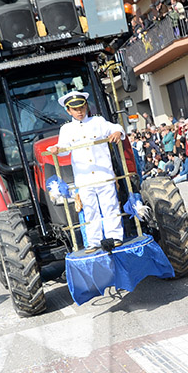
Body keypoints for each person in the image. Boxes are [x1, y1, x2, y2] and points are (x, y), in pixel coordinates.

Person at [50, 90, 126, 252]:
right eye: (75, 109)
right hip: (84, 178)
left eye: (82, 107)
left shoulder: (98, 121)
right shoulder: (66, 129)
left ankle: (115, 237)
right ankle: (94, 241)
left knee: (110, 206)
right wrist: (56, 148)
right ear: (68, 110)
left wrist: (117, 132)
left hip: (104, 173)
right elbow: (63, 149)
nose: (80, 112)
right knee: (90, 209)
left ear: (86, 106)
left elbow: (116, 127)